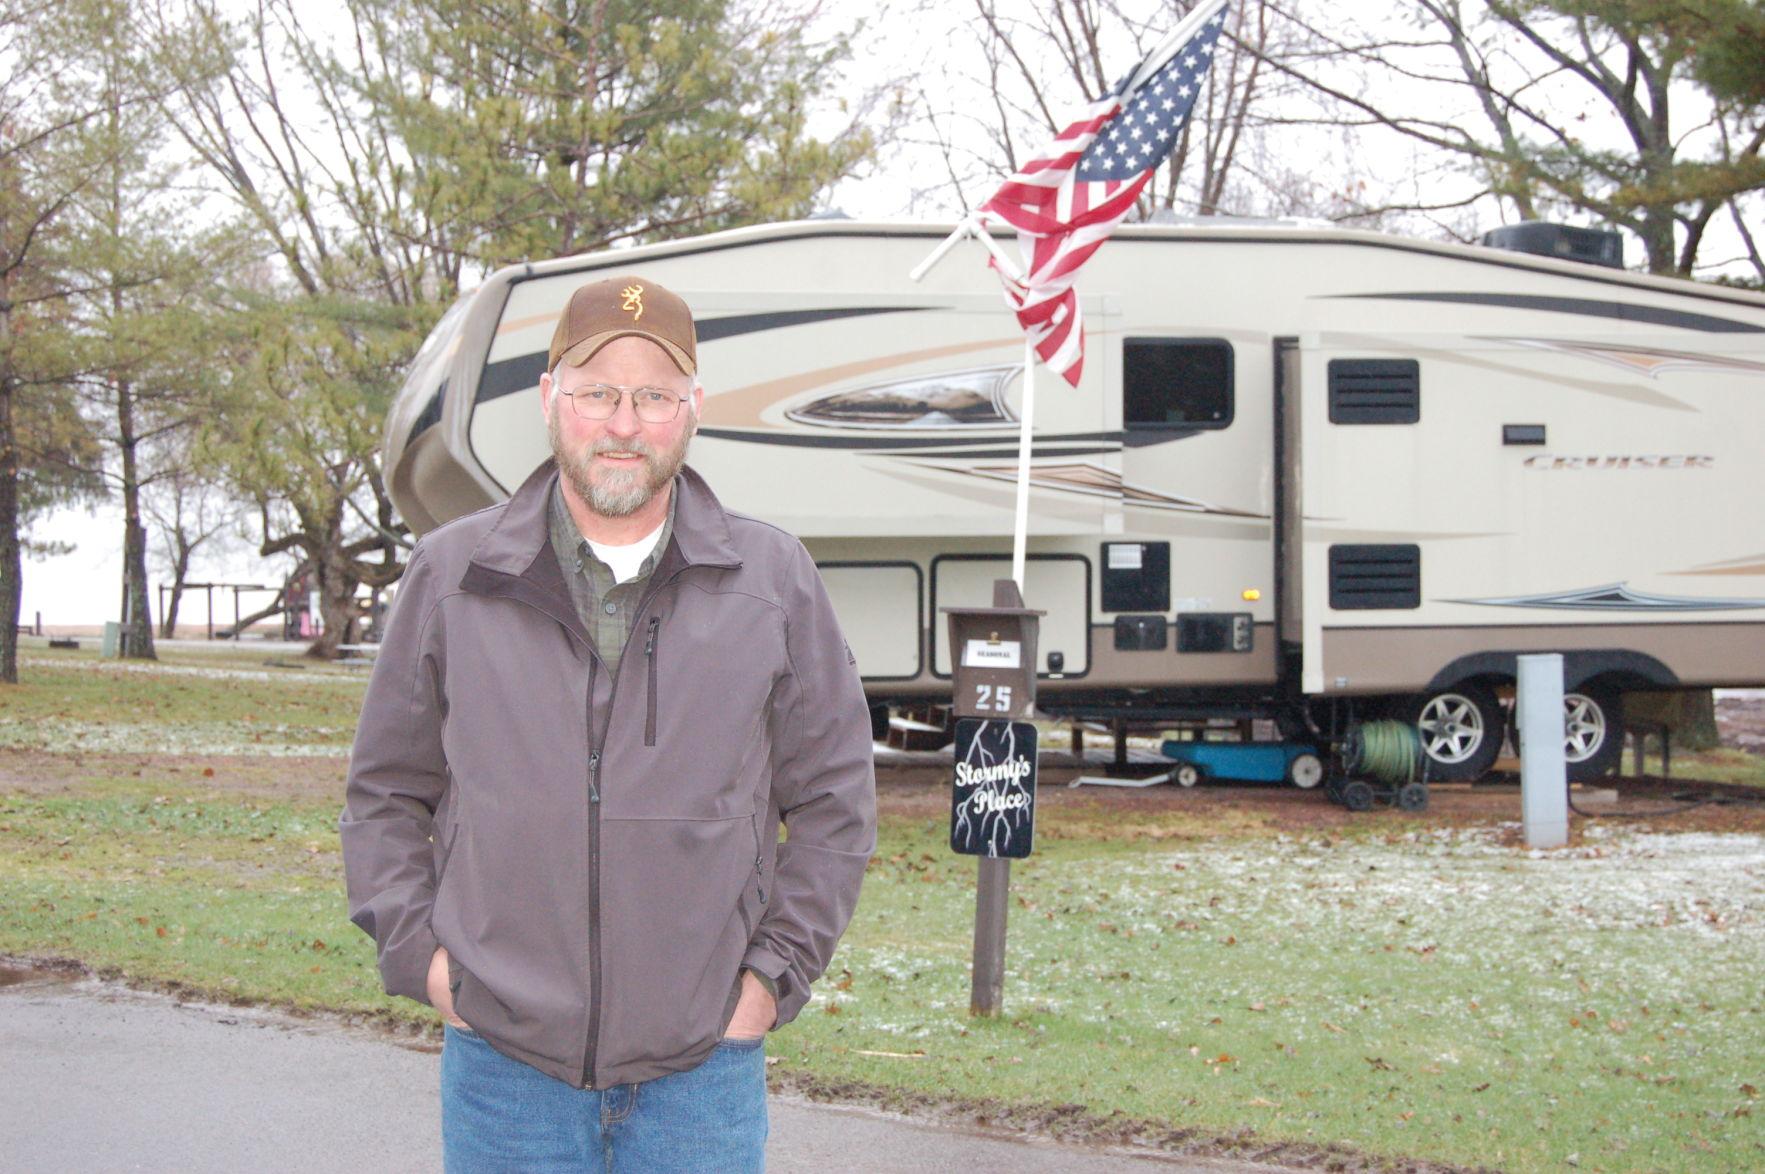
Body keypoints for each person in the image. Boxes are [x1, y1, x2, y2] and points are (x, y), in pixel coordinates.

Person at [340, 274, 877, 1171]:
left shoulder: (771, 580)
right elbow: (386, 792)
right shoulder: (452, 576)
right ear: (552, 400)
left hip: (701, 1069)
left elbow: (835, 804)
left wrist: (766, 982)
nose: (623, 424)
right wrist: (427, 963)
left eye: (653, 396)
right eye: (596, 392)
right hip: (504, 1068)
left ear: (692, 408)